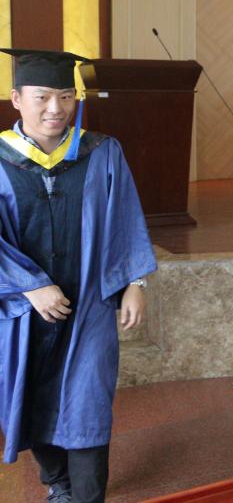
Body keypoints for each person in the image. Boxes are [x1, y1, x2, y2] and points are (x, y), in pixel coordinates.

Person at [0, 49, 157, 503]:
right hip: (22, 309)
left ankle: (87, 496)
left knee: (88, 400)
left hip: (90, 302)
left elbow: (125, 215)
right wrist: (31, 284)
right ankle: (58, 483)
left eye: (66, 96)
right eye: (43, 97)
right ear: (17, 98)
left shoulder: (101, 151)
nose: (56, 108)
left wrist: (135, 282)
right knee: (31, 394)